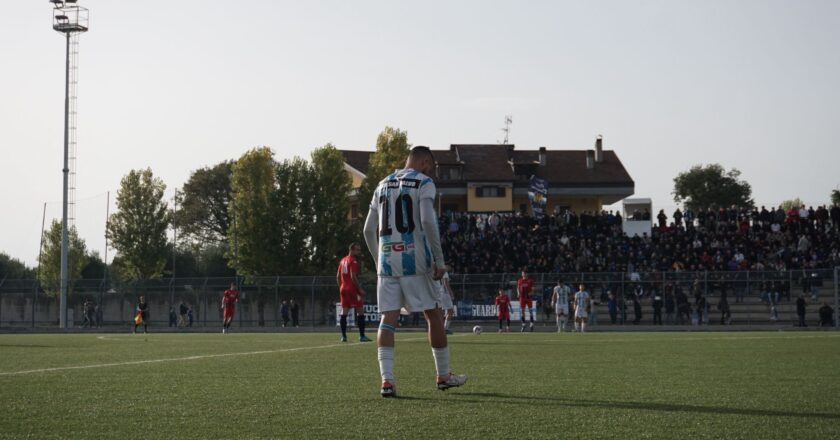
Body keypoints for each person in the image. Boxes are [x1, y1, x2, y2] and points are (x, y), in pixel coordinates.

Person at [362, 145, 467, 397]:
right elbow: (428, 220)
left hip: (387, 261)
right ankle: (443, 375)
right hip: (416, 259)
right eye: (429, 165)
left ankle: (387, 381)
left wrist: (379, 260)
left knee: (388, 319)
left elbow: (368, 229)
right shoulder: (423, 182)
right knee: (432, 313)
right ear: (424, 162)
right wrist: (439, 260)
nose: (429, 170)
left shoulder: (382, 184)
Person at [337, 243, 372, 342]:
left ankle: (343, 336)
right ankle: (362, 336)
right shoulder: (353, 261)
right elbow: (353, 276)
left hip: (343, 288)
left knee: (344, 312)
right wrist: (359, 289)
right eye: (357, 250)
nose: (359, 252)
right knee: (360, 311)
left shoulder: (342, 260)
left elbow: (338, 276)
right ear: (351, 250)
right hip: (352, 289)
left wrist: (341, 287)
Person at [437, 265, 456, 335]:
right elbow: (446, 284)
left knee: (445, 312)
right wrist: (451, 293)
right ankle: (445, 328)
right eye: (448, 266)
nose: (449, 268)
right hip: (445, 293)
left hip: (440, 293)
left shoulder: (439, 272)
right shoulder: (444, 273)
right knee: (450, 311)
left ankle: (443, 328)